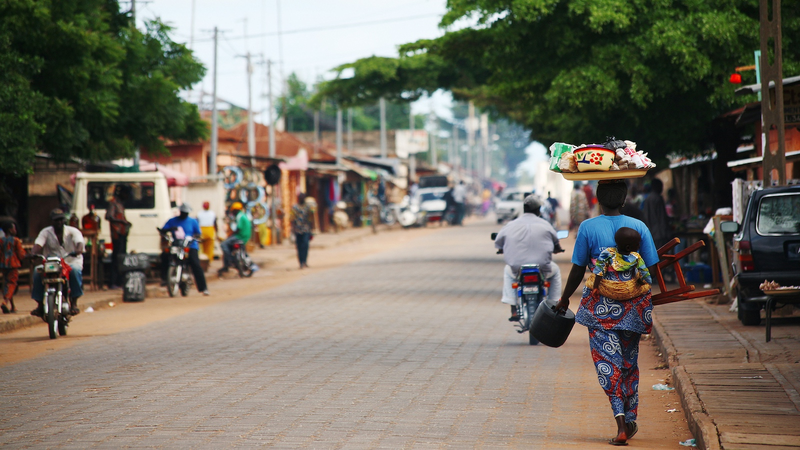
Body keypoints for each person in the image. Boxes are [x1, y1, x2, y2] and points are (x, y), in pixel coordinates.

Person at [555, 180, 659, 446]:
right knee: (628, 364)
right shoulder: (639, 226)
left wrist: (565, 299)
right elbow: (652, 269)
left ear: (598, 200)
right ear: (624, 200)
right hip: (633, 310)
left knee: (607, 364)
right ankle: (631, 418)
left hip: (600, 310)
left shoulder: (588, 227)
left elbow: (578, 269)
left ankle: (621, 423)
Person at [494, 195, 564, 322]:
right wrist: (558, 248)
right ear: (538, 210)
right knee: (556, 272)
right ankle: (554, 305)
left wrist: (501, 248)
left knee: (507, 271)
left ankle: (513, 307)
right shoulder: (546, 225)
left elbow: (498, 242)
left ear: (524, 208)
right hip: (542, 268)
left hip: (517, 268)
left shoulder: (511, 225)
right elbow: (556, 242)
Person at [31, 208, 85, 316]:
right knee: (37, 271)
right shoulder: (46, 232)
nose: (59, 222)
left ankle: (74, 303)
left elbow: (79, 242)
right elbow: (38, 244)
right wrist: (33, 253)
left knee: (75, 271)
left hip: (70, 261)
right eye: (56, 220)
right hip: (52, 263)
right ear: (52, 221)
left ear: (64, 220)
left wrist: (78, 250)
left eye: (61, 220)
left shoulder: (73, 231)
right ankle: (40, 304)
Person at [588, 227, 652, 296]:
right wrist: (643, 282)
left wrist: (595, 287)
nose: (639, 246)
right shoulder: (636, 257)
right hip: (629, 291)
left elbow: (599, 271)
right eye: (637, 244)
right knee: (646, 291)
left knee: (589, 287)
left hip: (609, 290)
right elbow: (645, 273)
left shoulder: (608, 253)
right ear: (628, 248)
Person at [162, 204, 209, 295]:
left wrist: (193, 238)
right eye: (183, 212)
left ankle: (203, 288)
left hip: (190, 246)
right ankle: (165, 279)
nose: (184, 214)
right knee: (164, 257)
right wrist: (171, 229)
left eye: (186, 213)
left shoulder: (193, 221)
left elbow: (198, 233)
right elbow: (163, 230)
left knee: (195, 265)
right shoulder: (172, 221)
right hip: (176, 245)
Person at [105, 185, 131, 289]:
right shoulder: (114, 203)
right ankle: (113, 282)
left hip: (122, 234)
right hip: (117, 235)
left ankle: (119, 282)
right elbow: (109, 216)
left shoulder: (120, 204)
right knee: (116, 258)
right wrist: (122, 221)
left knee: (121, 259)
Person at [0, 222, 27, 313]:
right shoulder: (16, 240)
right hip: (13, 264)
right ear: (10, 230)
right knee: (12, 283)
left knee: (6, 283)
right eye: (14, 228)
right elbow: (21, 254)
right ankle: (5, 301)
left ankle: (12, 306)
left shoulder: (1, 240)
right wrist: (27, 256)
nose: (15, 230)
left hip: (3, 265)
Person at [218, 202, 251, 276]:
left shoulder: (239, 216)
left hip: (240, 236)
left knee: (223, 244)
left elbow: (238, 228)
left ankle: (230, 260)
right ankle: (227, 265)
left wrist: (230, 235)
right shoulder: (243, 215)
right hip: (245, 237)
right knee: (228, 244)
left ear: (236, 210)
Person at [641, 178, 671, 250]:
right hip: (659, 234)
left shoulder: (647, 199)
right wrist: (667, 233)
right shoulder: (658, 198)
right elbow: (662, 218)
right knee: (662, 253)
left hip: (651, 233)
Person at [290, 193, 313, 269]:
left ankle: (305, 261)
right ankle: (301, 262)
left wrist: (311, 229)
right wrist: (293, 229)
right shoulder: (295, 207)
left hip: (306, 229)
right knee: (299, 246)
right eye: (300, 197)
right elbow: (292, 218)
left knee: (305, 245)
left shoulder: (308, 207)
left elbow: (311, 218)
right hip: (297, 230)